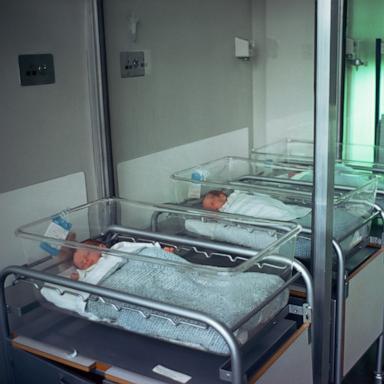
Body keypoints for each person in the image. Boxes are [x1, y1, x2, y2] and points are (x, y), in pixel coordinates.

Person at [70, 239, 175, 280]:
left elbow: (134, 247)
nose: (86, 261)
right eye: (81, 263)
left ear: (101, 247)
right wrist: (76, 277)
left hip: (135, 268)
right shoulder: (89, 271)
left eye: (87, 254)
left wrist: (157, 249)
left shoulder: (115, 250)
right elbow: (83, 278)